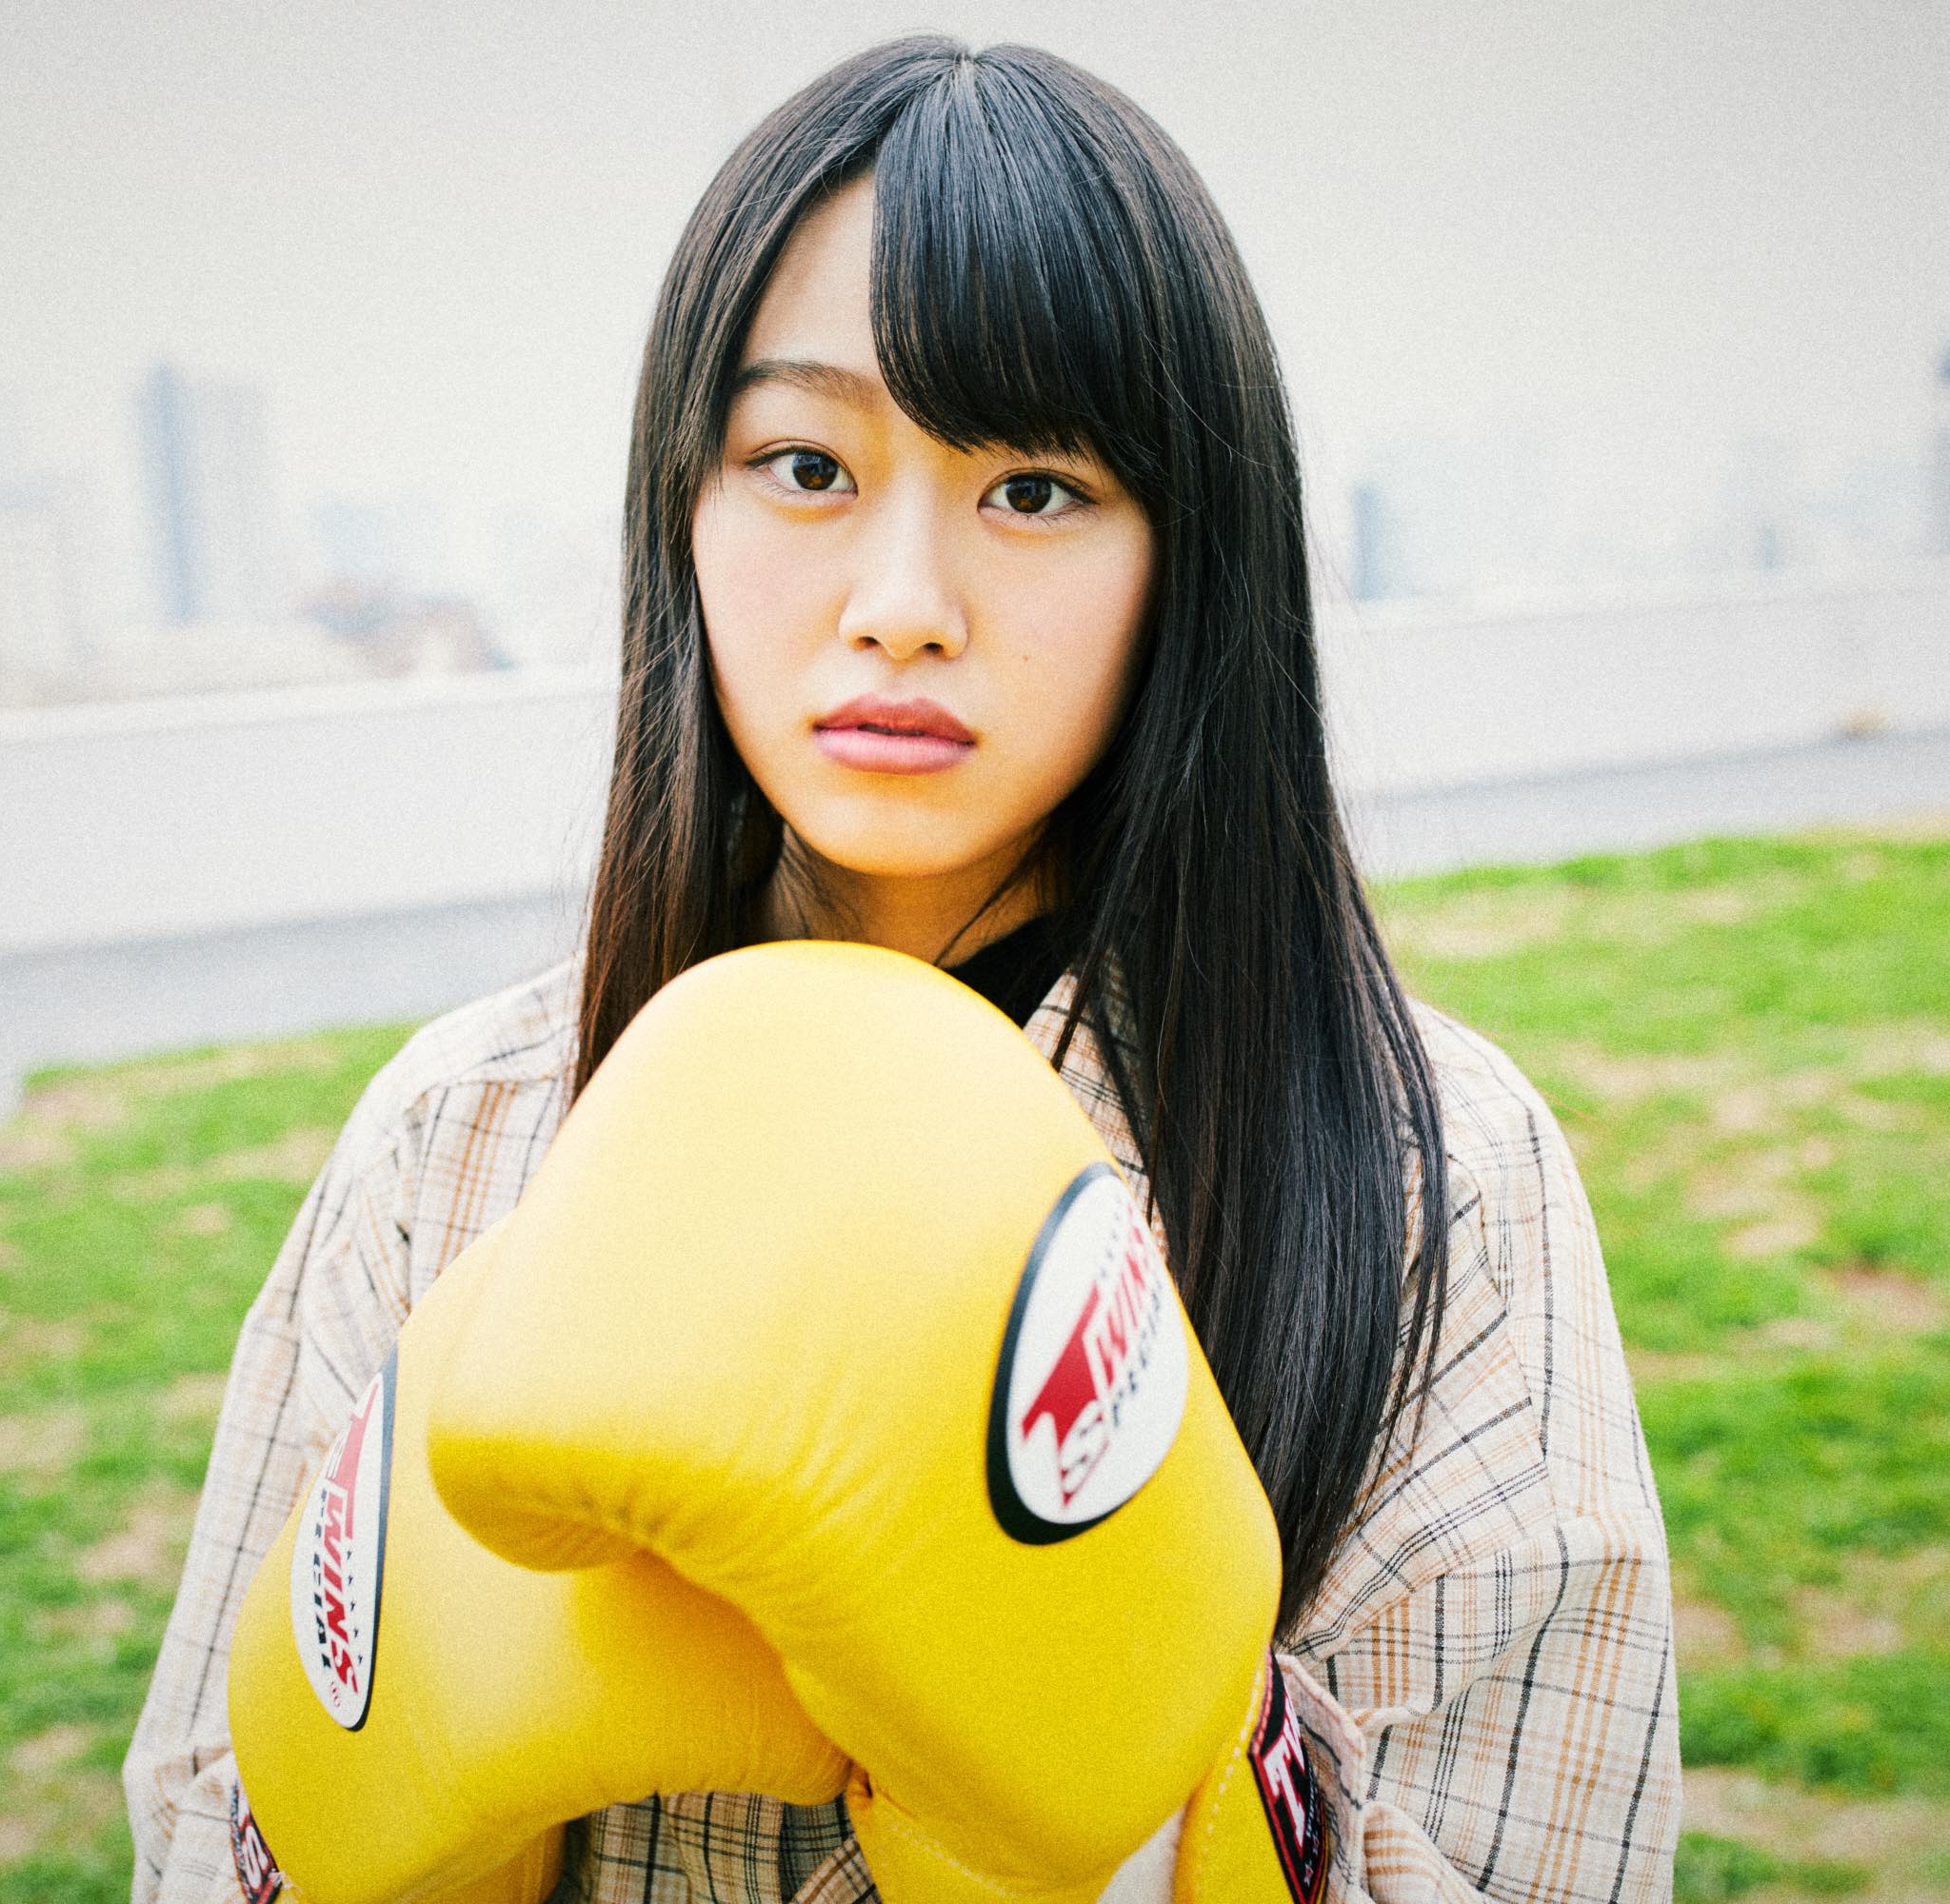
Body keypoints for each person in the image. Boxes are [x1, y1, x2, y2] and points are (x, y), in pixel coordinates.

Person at [126, 35, 1679, 1904]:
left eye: (1034, 488)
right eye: (805, 465)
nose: (903, 603)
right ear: (683, 511)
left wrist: (1150, 1806)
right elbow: (192, 1828)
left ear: (1187, 555)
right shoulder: (459, 1143)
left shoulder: (1433, 1178)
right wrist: (371, 1817)